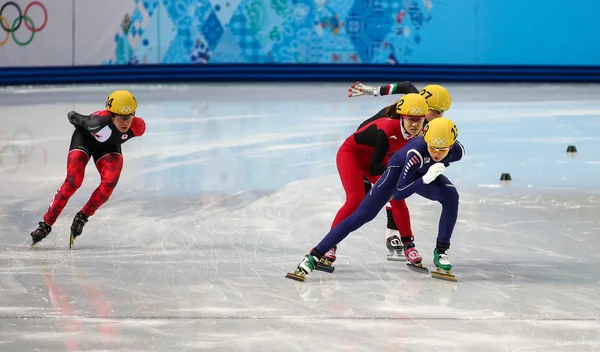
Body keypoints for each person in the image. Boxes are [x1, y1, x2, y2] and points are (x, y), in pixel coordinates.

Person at [286, 117, 464, 282]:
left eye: (443, 149)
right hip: (396, 176)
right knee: (361, 216)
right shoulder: (415, 152)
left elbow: (438, 161)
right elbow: (399, 193)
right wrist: (425, 179)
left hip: (422, 173)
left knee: (451, 196)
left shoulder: (457, 152)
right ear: (425, 137)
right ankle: (314, 255)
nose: (437, 153)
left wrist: (427, 174)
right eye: (432, 147)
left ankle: (441, 251)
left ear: (452, 144)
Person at [316, 93, 429, 271]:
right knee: (356, 199)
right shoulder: (387, 130)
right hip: (352, 154)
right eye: (410, 120)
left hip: (377, 159)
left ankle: (409, 246)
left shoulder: (423, 131)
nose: (415, 125)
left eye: (419, 120)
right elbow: (376, 167)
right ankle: (329, 246)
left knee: (397, 197)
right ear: (401, 118)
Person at [348, 82, 453, 261]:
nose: (439, 117)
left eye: (442, 113)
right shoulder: (408, 116)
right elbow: (406, 87)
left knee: (394, 190)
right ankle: (330, 245)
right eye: (435, 112)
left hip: (391, 147)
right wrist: (374, 91)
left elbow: (407, 86)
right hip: (371, 147)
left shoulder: (422, 119)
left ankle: (392, 234)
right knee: (367, 199)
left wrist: (375, 91)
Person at [30, 90, 146, 248]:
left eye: (128, 117)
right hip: (84, 139)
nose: (125, 123)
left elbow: (125, 128)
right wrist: (86, 126)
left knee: (109, 183)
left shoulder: (138, 127)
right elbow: (72, 115)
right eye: (120, 118)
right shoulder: (96, 122)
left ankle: (82, 217)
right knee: (73, 182)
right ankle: (46, 224)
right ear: (111, 116)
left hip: (109, 147)